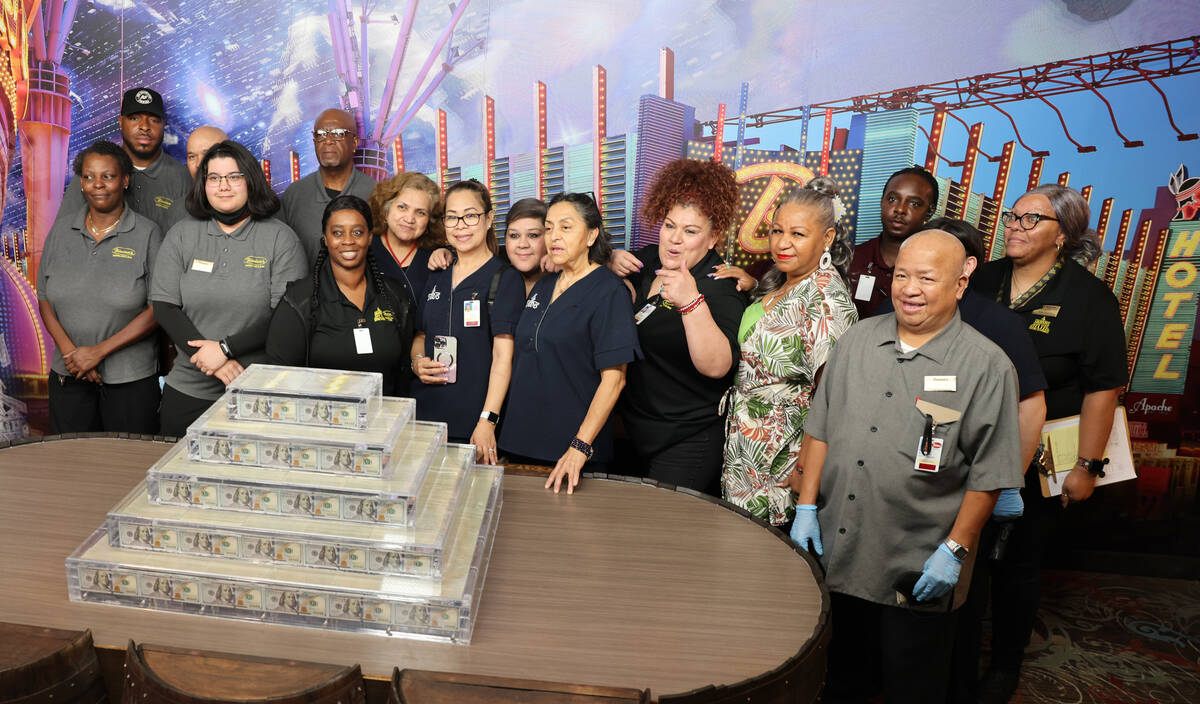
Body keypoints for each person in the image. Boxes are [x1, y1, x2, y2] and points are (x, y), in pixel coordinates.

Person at [791, 230, 1023, 704]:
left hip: (916, 561)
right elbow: (820, 429)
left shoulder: (988, 366)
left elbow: (990, 474)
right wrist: (807, 507)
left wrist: (955, 551)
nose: (909, 288)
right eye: (901, 275)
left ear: (960, 285)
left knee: (910, 685)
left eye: (926, 278)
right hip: (839, 548)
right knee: (838, 679)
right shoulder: (857, 339)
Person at [873, 218, 1049, 704]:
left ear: (965, 269)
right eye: (908, 270)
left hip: (969, 488)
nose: (914, 284)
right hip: (907, 491)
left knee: (960, 604)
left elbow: (1030, 404)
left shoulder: (993, 324)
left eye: (932, 270)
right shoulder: (893, 317)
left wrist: (1008, 481)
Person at [968, 184, 1127, 704]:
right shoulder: (982, 277)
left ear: (1063, 235)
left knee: (1016, 563)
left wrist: (1087, 465)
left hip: (1037, 455)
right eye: (1013, 216)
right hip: (965, 442)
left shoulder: (1089, 297)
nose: (1015, 226)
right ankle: (957, 657)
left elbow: (1104, 387)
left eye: (1032, 220)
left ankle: (1004, 667)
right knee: (963, 552)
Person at [723, 178, 857, 525]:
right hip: (746, 455)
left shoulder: (826, 301)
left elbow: (835, 400)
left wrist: (804, 471)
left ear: (826, 238)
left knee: (766, 569)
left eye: (798, 235)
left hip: (782, 464)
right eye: (776, 231)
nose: (782, 243)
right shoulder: (782, 283)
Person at [150, 140, 307, 437]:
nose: (223, 186)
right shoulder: (182, 234)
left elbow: (285, 318)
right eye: (214, 178)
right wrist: (213, 363)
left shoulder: (280, 239)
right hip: (188, 388)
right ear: (203, 184)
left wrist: (225, 349)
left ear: (251, 181)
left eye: (234, 177)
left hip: (256, 390)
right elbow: (164, 306)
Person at [615, 158, 745, 493]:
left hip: (688, 439)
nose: (674, 239)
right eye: (669, 226)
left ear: (713, 237)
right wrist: (608, 258)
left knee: (665, 538)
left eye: (690, 231)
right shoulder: (648, 262)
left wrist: (691, 303)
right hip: (634, 430)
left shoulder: (720, 285)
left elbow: (718, 367)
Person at [500, 193, 642, 493]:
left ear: (591, 235)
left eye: (566, 227)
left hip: (572, 453)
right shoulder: (545, 283)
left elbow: (614, 380)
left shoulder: (608, 291)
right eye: (549, 228)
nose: (554, 237)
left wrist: (580, 446)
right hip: (520, 442)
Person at [37, 141, 163, 434]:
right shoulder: (61, 230)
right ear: (81, 182)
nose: (98, 185)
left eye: (108, 176)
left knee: (125, 466)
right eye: (89, 176)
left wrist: (97, 353)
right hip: (68, 375)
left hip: (130, 380)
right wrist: (73, 355)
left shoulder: (147, 233)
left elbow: (158, 307)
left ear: (125, 180)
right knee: (71, 465)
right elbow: (44, 297)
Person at [410, 179, 525, 462]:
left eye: (470, 215)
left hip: (473, 423)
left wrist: (487, 420)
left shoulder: (504, 278)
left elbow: (502, 357)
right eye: (452, 217)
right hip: (425, 419)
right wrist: (416, 362)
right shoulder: (437, 271)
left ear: (488, 220)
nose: (460, 225)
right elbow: (421, 336)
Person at [266, 195, 415, 395]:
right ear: (325, 239)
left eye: (357, 232)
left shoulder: (394, 294)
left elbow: (404, 372)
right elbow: (280, 377)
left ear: (369, 237)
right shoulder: (300, 299)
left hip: (384, 420)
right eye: (337, 233)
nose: (348, 241)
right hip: (322, 422)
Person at [55, 88, 192, 236]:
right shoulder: (92, 171)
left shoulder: (182, 177)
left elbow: (190, 242)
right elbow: (64, 236)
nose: (145, 127)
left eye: (153, 120)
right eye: (134, 118)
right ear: (121, 122)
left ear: (163, 125)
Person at [281, 108, 378, 264]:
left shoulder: (376, 194)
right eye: (320, 134)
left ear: (354, 142)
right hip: (306, 288)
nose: (327, 141)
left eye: (338, 133)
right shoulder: (294, 195)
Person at [846, 166, 940, 318]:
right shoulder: (852, 258)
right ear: (882, 201)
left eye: (914, 203)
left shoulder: (933, 268)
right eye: (892, 199)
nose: (900, 209)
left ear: (930, 212)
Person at [366, 172, 446, 306]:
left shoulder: (438, 257)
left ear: (430, 220)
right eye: (402, 207)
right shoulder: (365, 248)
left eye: (420, 212)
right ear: (386, 209)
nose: (409, 219)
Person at [503, 198, 549, 296]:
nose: (523, 244)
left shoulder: (565, 283)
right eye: (514, 235)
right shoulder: (493, 282)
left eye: (533, 235)